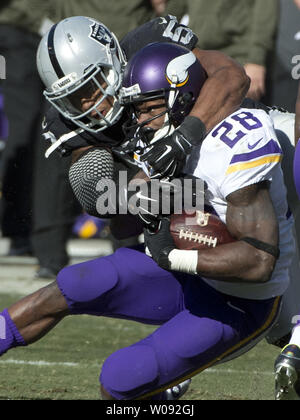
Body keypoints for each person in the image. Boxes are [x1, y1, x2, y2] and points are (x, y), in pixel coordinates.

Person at [0, 41, 293, 401]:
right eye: (136, 109)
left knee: (120, 380)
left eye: (150, 108)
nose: (139, 120)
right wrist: (126, 201)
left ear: (182, 99)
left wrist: (172, 256)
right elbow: (125, 224)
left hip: (240, 300)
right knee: (78, 282)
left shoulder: (235, 142)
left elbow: (259, 261)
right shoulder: (158, 132)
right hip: (188, 276)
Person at [184, 0, 279, 102]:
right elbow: (174, 7)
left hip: (240, 58)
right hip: (198, 58)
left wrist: (256, 61)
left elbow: (265, 8)